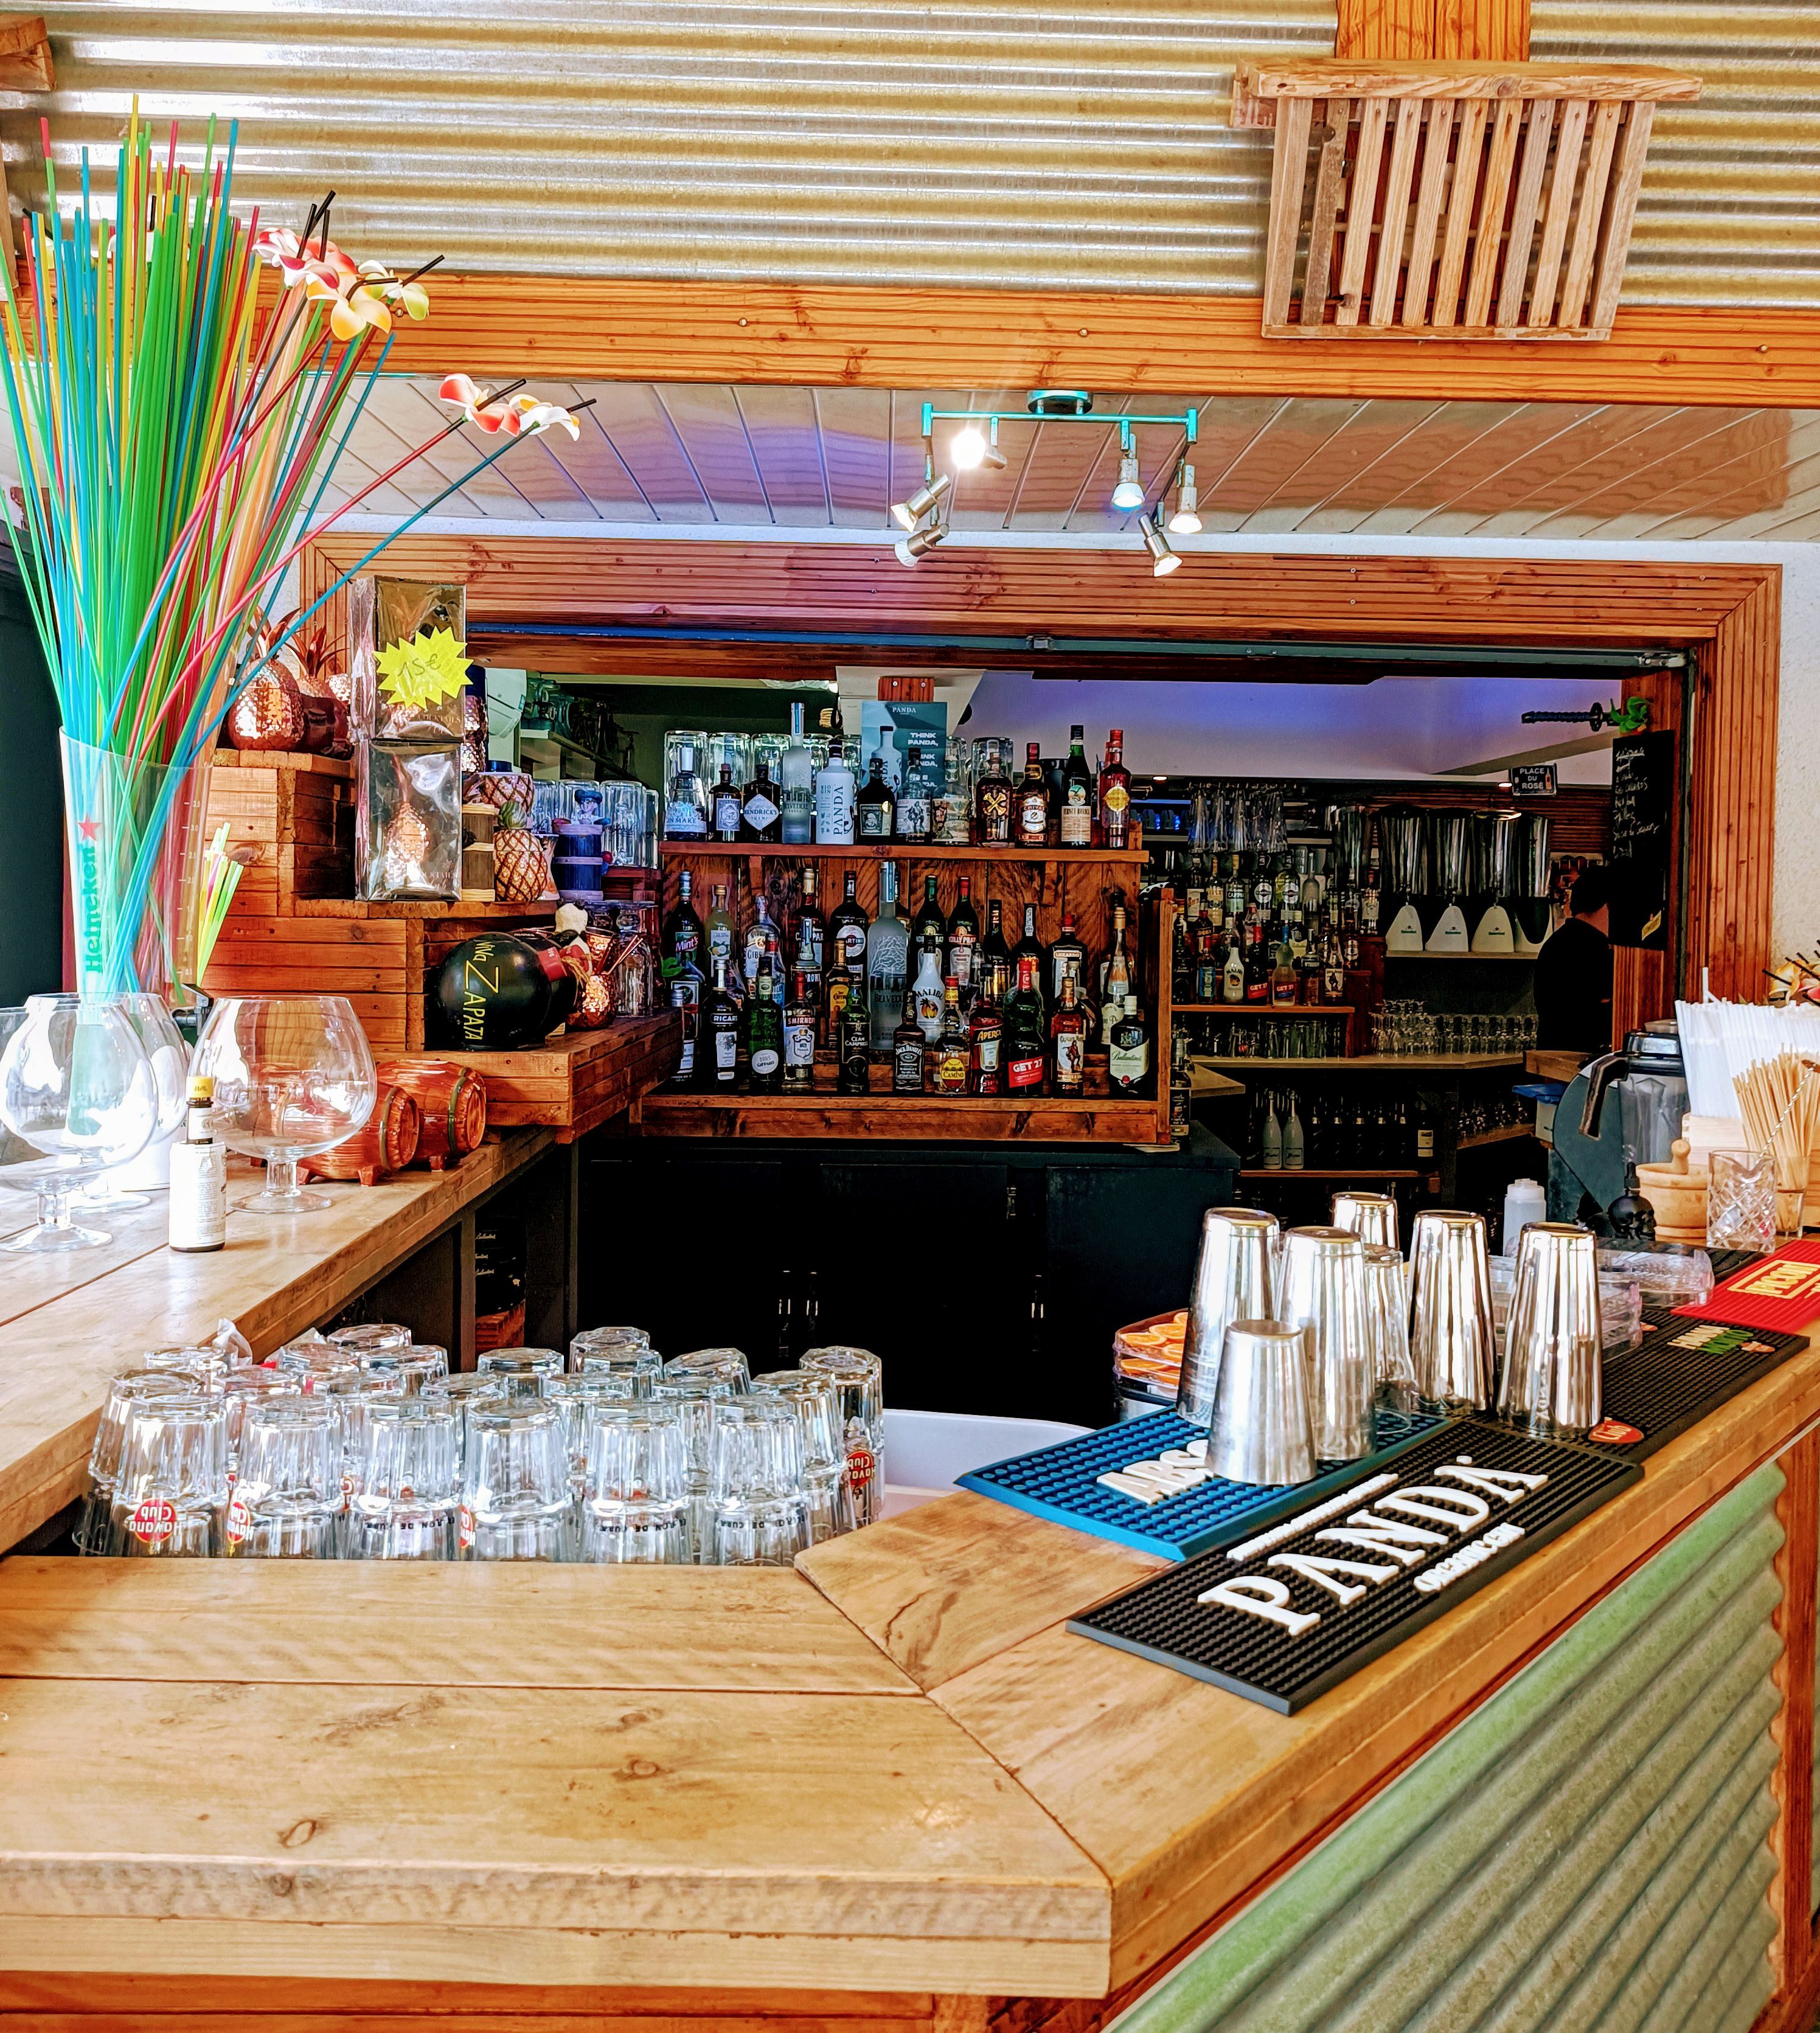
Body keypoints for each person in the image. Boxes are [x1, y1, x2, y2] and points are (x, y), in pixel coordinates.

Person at [1533, 860, 1613, 1054]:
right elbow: (1602, 1019)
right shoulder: (1596, 949)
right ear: (1607, 905)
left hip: (1551, 1058)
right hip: (1584, 1062)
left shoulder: (1555, 943)